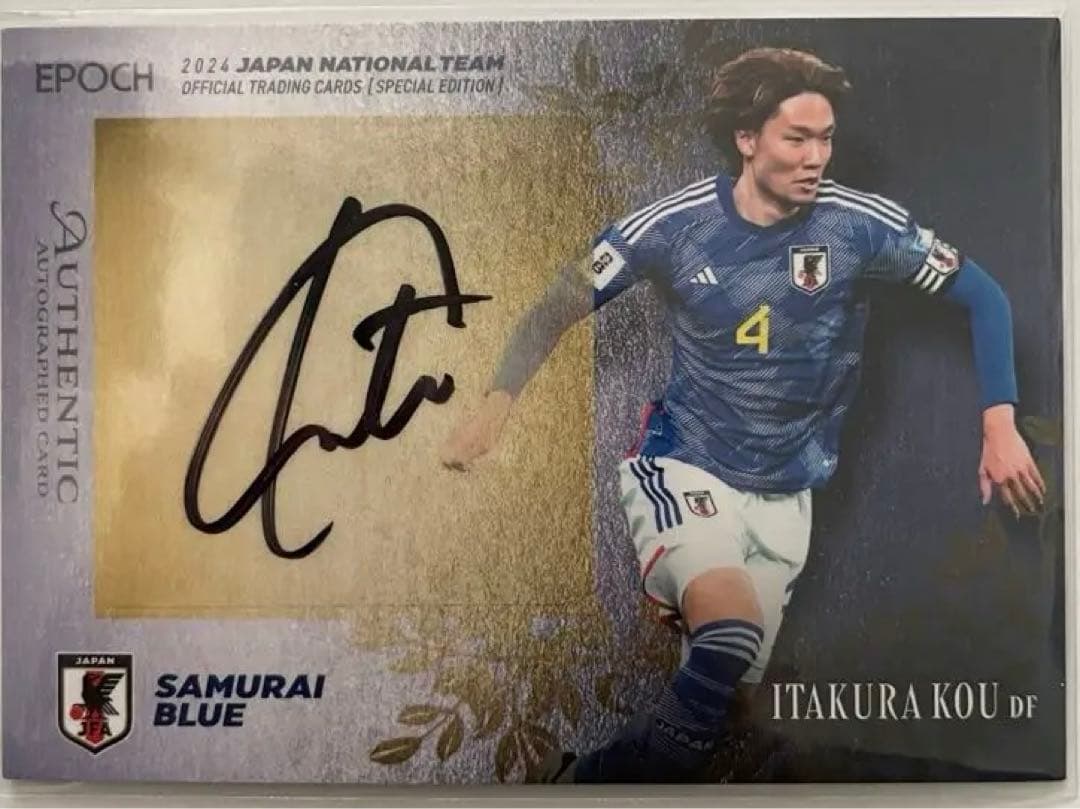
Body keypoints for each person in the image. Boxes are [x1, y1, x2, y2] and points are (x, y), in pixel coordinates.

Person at [439, 46, 1046, 783]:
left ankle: (579, 781)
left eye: (826, 139)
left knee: (720, 714)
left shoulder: (859, 226)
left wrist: (999, 423)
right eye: (797, 138)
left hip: (788, 497)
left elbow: (982, 294)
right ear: (748, 138)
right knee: (730, 633)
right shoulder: (675, 226)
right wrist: (497, 406)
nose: (816, 157)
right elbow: (558, 303)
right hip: (687, 465)